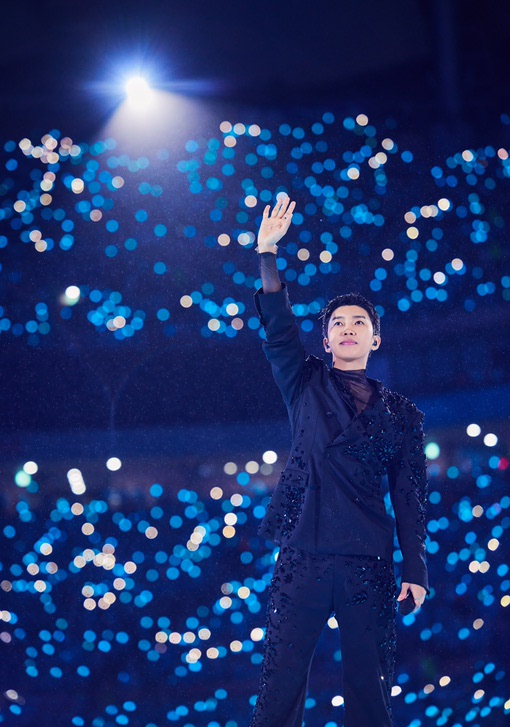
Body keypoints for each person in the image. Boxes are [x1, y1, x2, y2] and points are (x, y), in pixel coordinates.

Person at [250, 196, 428, 727]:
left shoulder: (402, 414)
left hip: (367, 560)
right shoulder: (303, 382)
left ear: (376, 336)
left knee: (370, 692)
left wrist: (415, 569)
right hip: (302, 554)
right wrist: (266, 255)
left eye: (360, 322)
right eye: (338, 323)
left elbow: (409, 497)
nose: (349, 328)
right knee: (279, 688)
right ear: (326, 339)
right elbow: (279, 329)